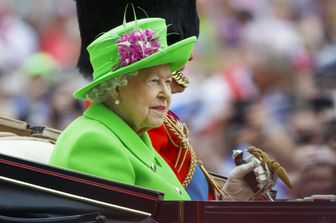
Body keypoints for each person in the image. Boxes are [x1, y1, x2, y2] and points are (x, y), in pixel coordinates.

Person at [49, 16, 272, 201]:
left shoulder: (135, 134)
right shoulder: (94, 142)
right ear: (116, 88)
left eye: (167, 81)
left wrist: (231, 200)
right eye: (154, 81)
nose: (166, 93)